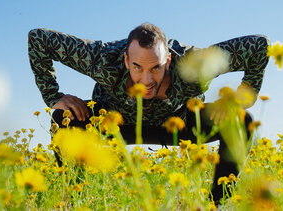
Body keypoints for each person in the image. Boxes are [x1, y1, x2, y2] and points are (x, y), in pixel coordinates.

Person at [28, 22, 269, 204]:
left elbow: (259, 46)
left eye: (156, 67)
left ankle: (215, 205)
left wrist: (241, 100)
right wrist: (54, 97)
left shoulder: (192, 65)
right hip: (117, 123)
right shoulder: (103, 59)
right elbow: (38, 39)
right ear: (125, 60)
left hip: (178, 123)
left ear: (168, 60)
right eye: (137, 67)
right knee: (63, 117)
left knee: (241, 121)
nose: (146, 80)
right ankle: (73, 200)